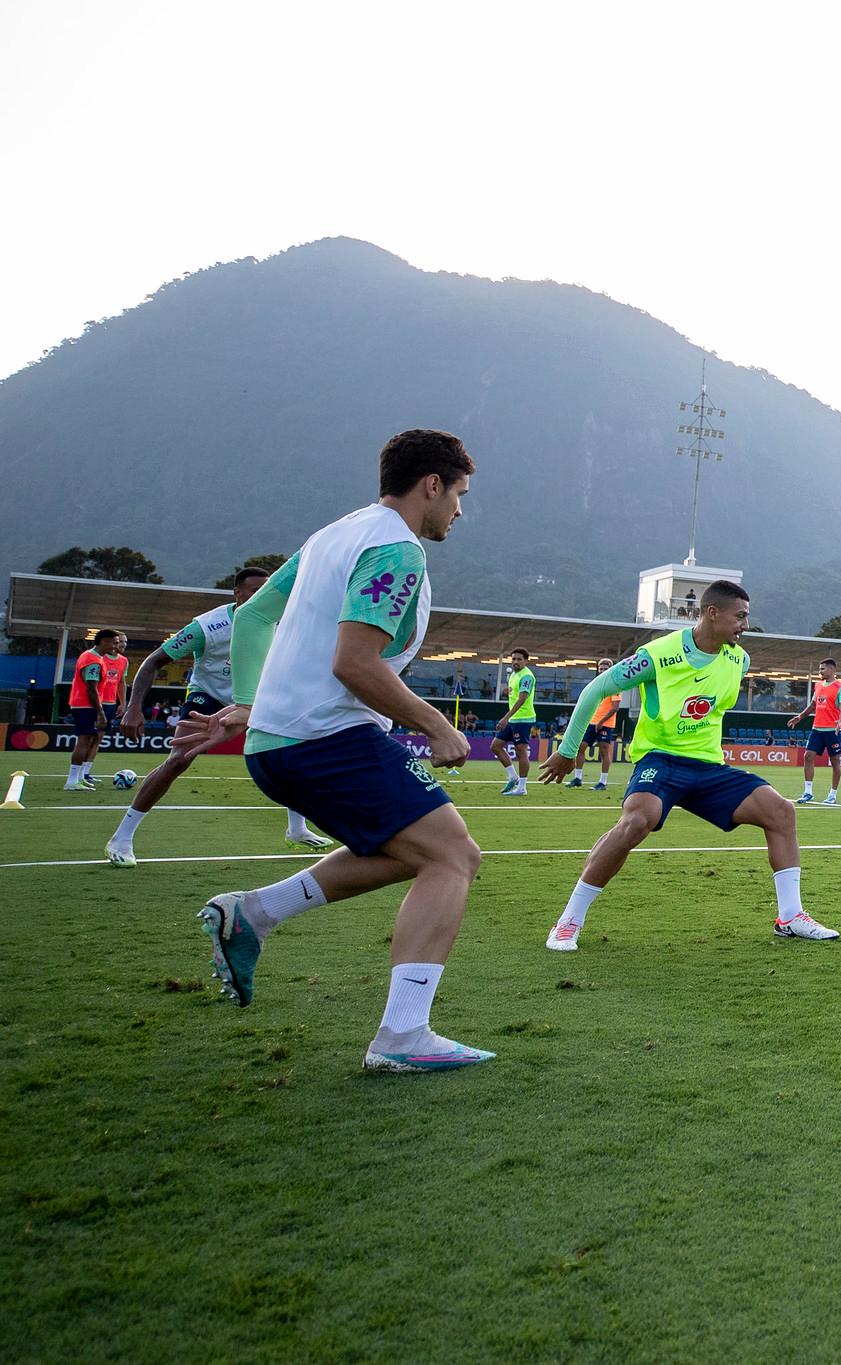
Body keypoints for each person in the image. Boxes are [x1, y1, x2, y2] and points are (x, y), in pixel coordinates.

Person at [174, 428, 493, 1073]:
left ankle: (253, 914)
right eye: (459, 493)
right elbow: (355, 663)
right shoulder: (396, 549)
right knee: (453, 856)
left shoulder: (333, 534)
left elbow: (255, 619)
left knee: (414, 850)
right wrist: (438, 726)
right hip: (326, 736)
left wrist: (249, 705)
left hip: (284, 739)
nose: (460, 509)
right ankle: (402, 1037)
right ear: (431, 484)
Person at [541, 579, 839, 950]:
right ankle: (569, 920)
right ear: (712, 613)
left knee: (780, 812)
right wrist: (568, 750)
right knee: (637, 821)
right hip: (660, 760)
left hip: (708, 767)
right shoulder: (657, 655)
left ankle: (790, 917)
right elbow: (594, 690)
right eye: (740, 616)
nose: (745, 624)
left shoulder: (739, 659)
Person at [105, 565, 334, 866]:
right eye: (254, 590)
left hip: (256, 700)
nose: (262, 595)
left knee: (292, 755)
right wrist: (134, 707)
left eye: (266, 590)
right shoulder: (208, 626)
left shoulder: (280, 622)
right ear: (237, 593)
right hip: (208, 696)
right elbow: (154, 661)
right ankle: (121, 838)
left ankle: (297, 829)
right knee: (178, 760)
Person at [63, 629, 119, 790]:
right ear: (104, 642)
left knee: (88, 740)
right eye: (114, 642)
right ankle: (72, 781)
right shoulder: (93, 661)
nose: (116, 646)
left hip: (83, 704)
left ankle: (79, 778)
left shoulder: (90, 656)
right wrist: (100, 712)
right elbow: (91, 689)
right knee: (84, 740)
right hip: (85, 705)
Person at [788, 658, 841, 804]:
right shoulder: (818, 686)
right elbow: (813, 705)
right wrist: (800, 717)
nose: (820, 671)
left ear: (832, 670)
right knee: (808, 756)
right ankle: (808, 792)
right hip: (817, 729)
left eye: (822, 669)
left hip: (832, 730)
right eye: (820, 668)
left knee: (835, 761)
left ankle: (832, 795)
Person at [568, 656, 620, 791]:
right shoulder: (595, 684)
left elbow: (615, 707)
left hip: (606, 724)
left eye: (605, 669)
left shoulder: (614, 686)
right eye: (601, 668)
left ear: (610, 670)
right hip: (591, 722)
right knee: (581, 747)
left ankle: (602, 782)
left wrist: (601, 722)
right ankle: (578, 778)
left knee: (604, 751)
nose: (602, 671)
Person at [492, 648, 537, 796]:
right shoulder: (513, 674)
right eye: (514, 659)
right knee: (496, 746)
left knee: (521, 752)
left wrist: (505, 718)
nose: (516, 662)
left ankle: (522, 787)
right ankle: (513, 777)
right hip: (513, 719)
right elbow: (514, 693)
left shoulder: (527, 676)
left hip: (523, 719)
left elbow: (522, 699)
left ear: (526, 660)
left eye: (519, 659)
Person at [100, 632, 130, 738]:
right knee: (88, 736)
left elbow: (121, 682)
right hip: (95, 702)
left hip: (110, 704)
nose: (124, 644)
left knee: (99, 737)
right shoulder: (99, 658)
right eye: (121, 641)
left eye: (125, 641)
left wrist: (122, 703)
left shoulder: (124, 661)